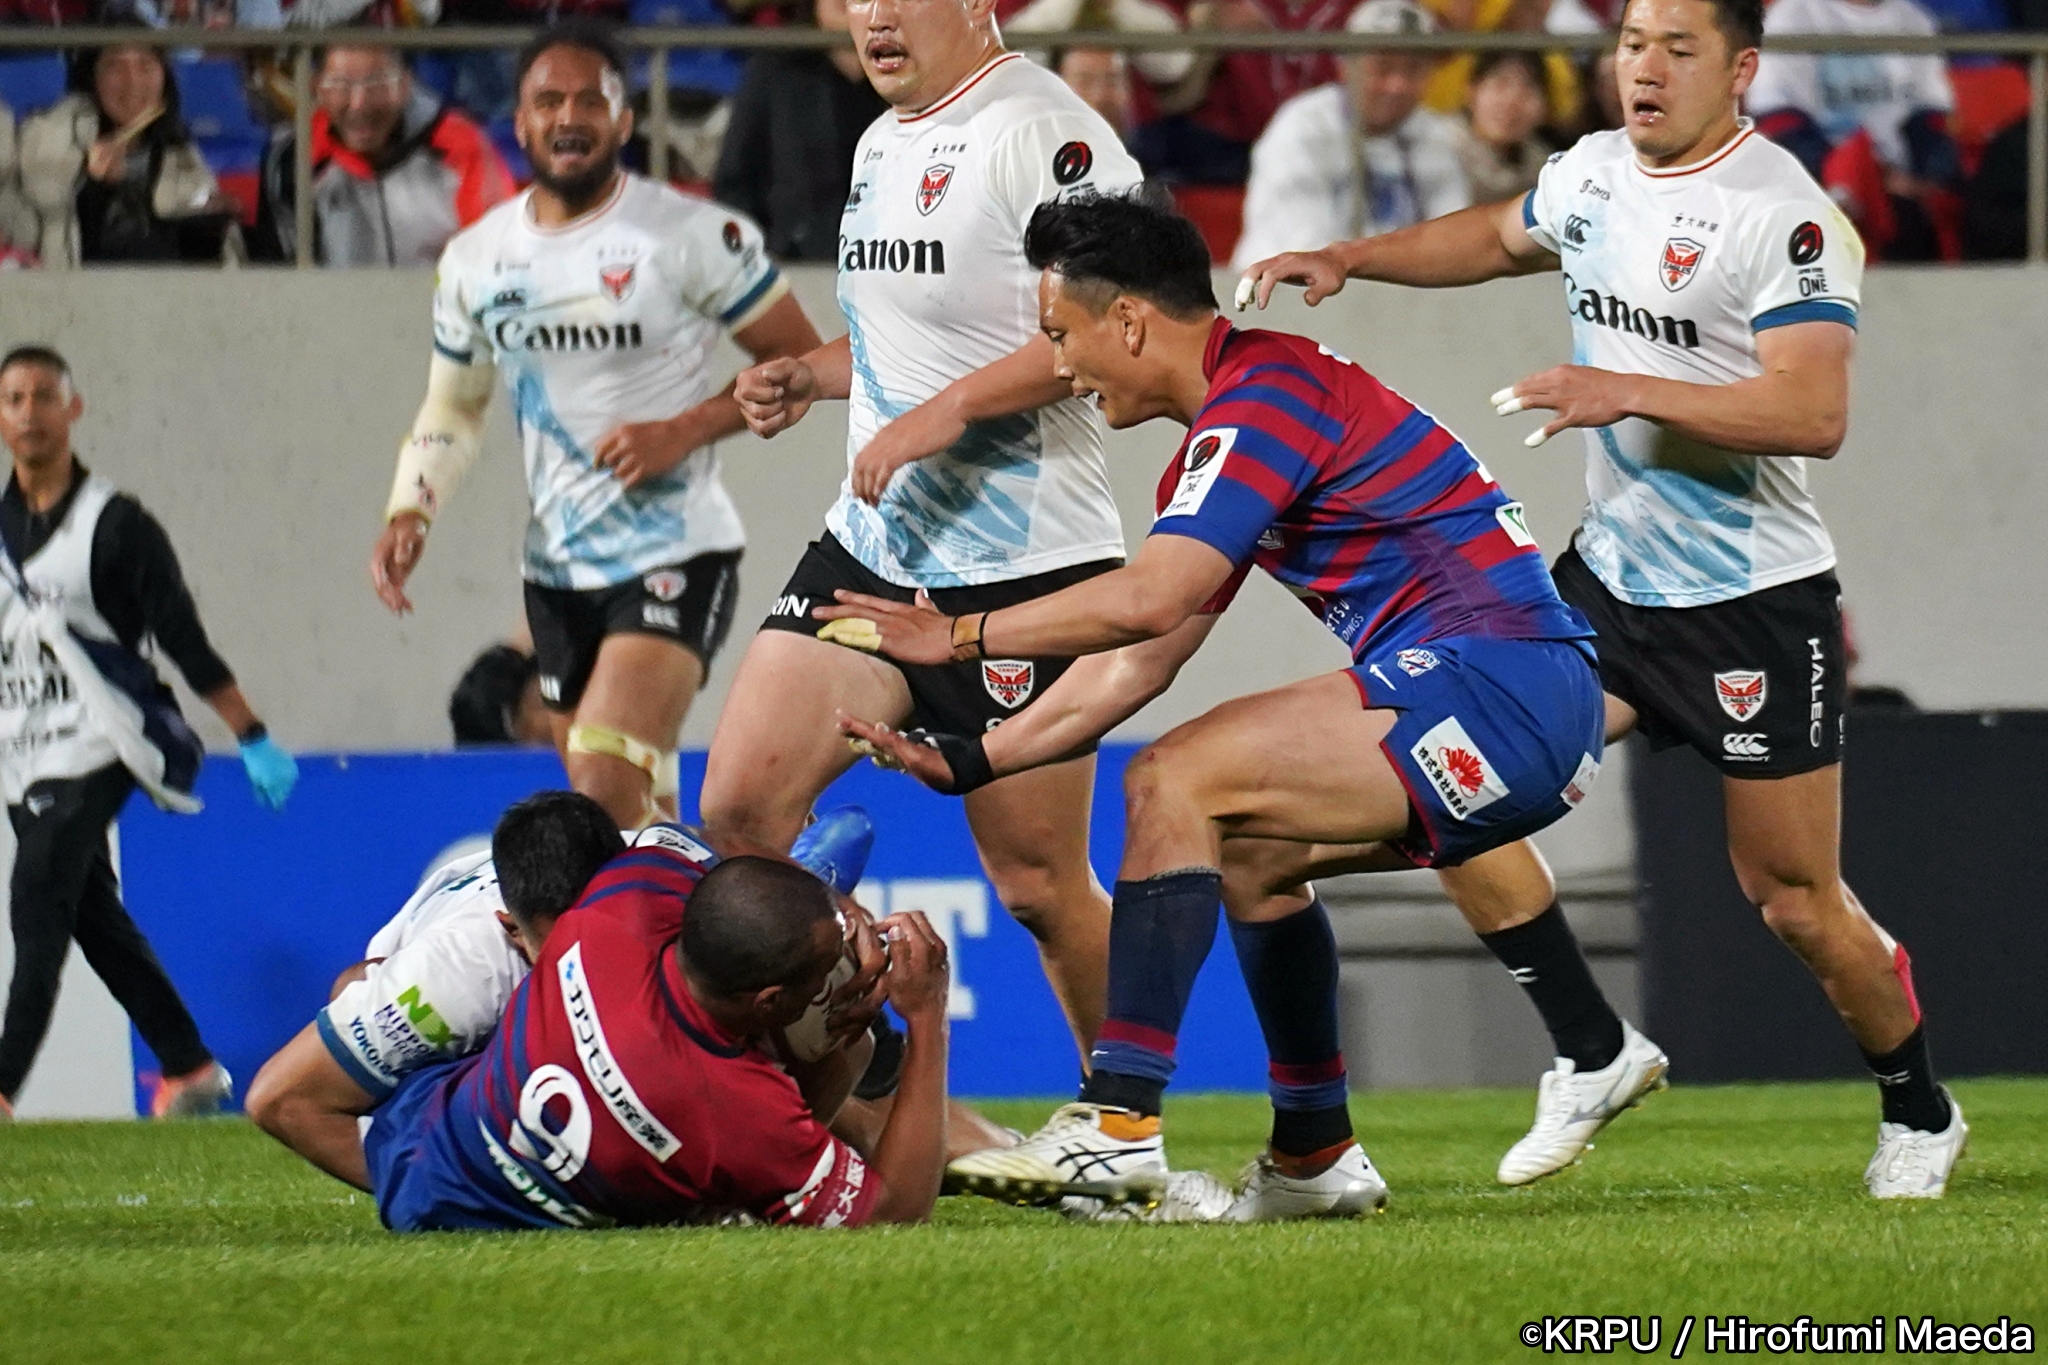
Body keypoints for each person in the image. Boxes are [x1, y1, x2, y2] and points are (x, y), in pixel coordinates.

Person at [1238, 0, 1968, 1198]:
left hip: (1749, 605)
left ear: (1738, 68)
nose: (1644, 67)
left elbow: (1810, 411)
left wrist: (1626, 389)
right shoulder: (1589, 173)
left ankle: (1918, 1112)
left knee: (1791, 900)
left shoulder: (1780, 215)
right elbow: (1494, 235)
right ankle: (1591, 1048)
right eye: (1631, 43)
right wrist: (1351, 256)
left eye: (1677, 48)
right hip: (1608, 587)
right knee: (1454, 778)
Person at [822, 191, 1607, 1220]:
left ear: (1128, 320)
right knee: (1251, 853)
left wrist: (959, 635)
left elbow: (1147, 597)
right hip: (1512, 697)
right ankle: (1315, 1154)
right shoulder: (1234, 430)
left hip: (1498, 683)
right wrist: (977, 755)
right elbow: (1134, 664)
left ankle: (1116, 1125)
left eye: (1060, 334)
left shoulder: (1265, 400)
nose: (1059, 366)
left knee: (1173, 775)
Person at [712, 0, 1143, 1065]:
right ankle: (847, 1088)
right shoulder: (881, 141)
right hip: (874, 552)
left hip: (1024, 572)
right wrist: (809, 375)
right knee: (740, 815)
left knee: (1039, 888)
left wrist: (943, 415)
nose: (877, 15)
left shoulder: (1040, 127)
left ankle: (1124, 1119)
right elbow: (898, 340)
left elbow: (1118, 319)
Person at [367, 21, 824, 829]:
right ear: (519, 122)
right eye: (549, 100)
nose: (569, 116)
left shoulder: (690, 236)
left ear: (624, 120)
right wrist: (413, 505)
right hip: (555, 571)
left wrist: (683, 430)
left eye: (591, 100)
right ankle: (739, 901)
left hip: (675, 549)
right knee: (640, 817)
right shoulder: (476, 260)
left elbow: (802, 361)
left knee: (603, 791)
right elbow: (455, 405)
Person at [361, 809, 954, 1230]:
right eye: (820, 974)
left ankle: (802, 896)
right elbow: (894, 1212)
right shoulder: (738, 1112)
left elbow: (694, 839)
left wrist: (817, 903)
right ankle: (757, 1191)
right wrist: (927, 1017)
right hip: (454, 1199)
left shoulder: (622, 899)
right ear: (768, 1002)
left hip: (418, 1123)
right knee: (848, 1046)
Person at [0, 346, 299, 1122]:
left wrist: (250, 731)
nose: (29, 412)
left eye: (44, 396)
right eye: (14, 398)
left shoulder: (116, 525)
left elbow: (181, 635)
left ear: (74, 408)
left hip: (106, 737)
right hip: (23, 748)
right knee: (89, 910)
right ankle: (188, 1065)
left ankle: (1, 1084)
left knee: (38, 890)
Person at [1229, 0, 1470, 272]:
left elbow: (1453, 244)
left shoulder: (1436, 136)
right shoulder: (1302, 128)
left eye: (1413, 70)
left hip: (1395, 291)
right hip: (1284, 291)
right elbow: (1306, 252)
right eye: (1383, 68)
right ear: (1345, 66)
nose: (1397, 85)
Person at [252, 43, 515, 268]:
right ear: (317, 87)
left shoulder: (463, 145)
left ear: (405, 84)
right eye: (341, 84)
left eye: (376, 83)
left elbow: (499, 258)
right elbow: (279, 276)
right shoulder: (291, 158)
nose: (359, 104)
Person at [1746, 0, 1958, 261]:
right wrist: (1865, 179)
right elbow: (1779, 120)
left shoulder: (1913, 19)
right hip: (1824, 176)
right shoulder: (1792, 16)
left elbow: (1931, 117)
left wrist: (1929, 178)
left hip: (1903, 182)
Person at [12, 35, 241, 267]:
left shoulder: (180, 153)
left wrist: (212, 227)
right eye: (115, 66)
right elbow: (56, 246)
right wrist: (100, 189)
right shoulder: (53, 147)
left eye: (145, 66)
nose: (132, 82)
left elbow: (187, 258)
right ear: (92, 77)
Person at [712, 0, 891, 264]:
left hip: (888, 267)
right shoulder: (773, 70)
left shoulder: (914, 76)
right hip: (794, 266)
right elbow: (734, 185)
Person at [1455, 51, 1555, 203]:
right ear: (1471, 91)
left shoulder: (1546, 168)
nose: (1512, 103)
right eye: (1500, 85)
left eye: (1528, 89)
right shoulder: (1440, 148)